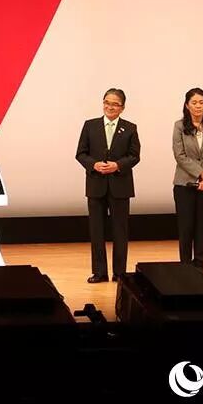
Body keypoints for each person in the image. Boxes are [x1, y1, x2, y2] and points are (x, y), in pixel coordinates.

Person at [76, 88, 140, 283]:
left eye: (115, 104)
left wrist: (118, 165)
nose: (110, 107)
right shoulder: (90, 125)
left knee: (120, 231)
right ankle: (99, 272)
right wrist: (94, 165)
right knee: (96, 231)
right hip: (96, 185)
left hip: (120, 186)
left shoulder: (130, 128)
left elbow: (134, 156)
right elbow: (81, 153)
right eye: (107, 102)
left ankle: (119, 273)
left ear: (122, 107)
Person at [172, 88, 203, 272]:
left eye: (201, 102)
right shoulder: (179, 126)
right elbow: (180, 155)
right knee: (186, 227)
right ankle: (185, 267)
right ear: (187, 105)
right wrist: (201, 174)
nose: (198, 106)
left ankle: (199, 265)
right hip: (184, 184)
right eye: (194, 102)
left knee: (202, 227)